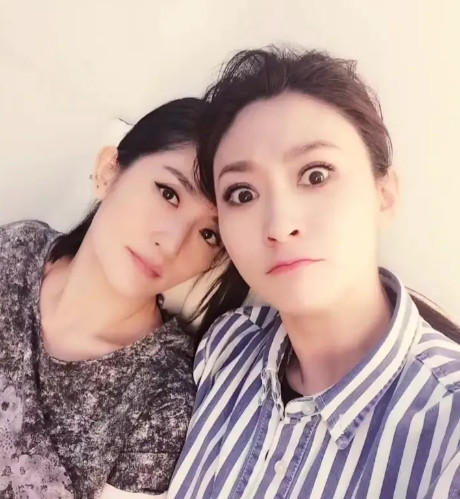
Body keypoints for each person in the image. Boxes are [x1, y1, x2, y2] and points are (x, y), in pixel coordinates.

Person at [169, 49, 460, 498]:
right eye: (242, 194)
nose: (280, 224)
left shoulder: (449, 428)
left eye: (316, 175)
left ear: (384, 194)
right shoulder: (227, 347)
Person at [0, 97, 244, 499]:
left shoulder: (160, 401)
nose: (171, 243)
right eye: (168, 193)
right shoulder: (17, 250)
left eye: (208, 234)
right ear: (108, 172)